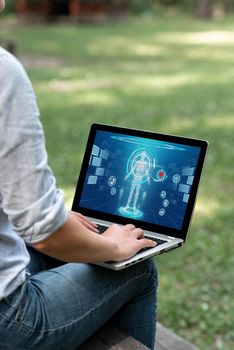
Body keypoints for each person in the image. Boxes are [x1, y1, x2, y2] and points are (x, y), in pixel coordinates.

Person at [0, 1, 158, 349]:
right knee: (136, 266)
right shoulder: (3, 72)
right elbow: (46, 235)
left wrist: (55, 219)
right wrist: (112, 246)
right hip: (9, 323)